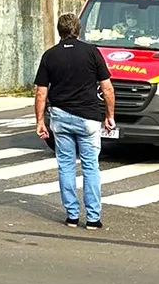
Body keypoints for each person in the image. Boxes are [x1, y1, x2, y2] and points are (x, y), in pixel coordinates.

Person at [34, 14, 115, 230]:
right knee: (90, 166)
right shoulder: (92, 52)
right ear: (78, 30)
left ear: (59, 31)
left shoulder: (50, 55)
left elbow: (41, 92)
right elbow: (107, 88)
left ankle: (71, 216)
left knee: (66, 165)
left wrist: (40, 121)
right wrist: (109, 116)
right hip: (88, 118)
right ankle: (93, 218)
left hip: (60, 117)